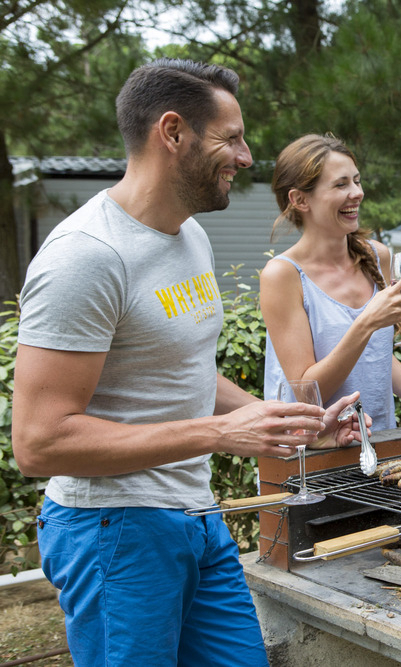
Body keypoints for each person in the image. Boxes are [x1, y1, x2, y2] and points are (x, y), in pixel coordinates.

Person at [12, 59, 365, 667]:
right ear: (172, 133)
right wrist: (221, 434)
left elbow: (187, 374)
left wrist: (282, 422)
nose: (248, 156)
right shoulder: (87, 256)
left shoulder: (189, 236)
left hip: (195, 516)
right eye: (230, 138)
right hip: (113, 533)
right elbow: (39, 443)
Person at [260, 133, 401, 431]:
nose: (357, 192)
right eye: (341, 184)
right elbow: (306, 392)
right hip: (315, 454)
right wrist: (366, 323)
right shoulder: (283, 275)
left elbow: (377, 358)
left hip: (381, 443)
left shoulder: (377, 256)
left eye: (357, 181)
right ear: (299, 199)